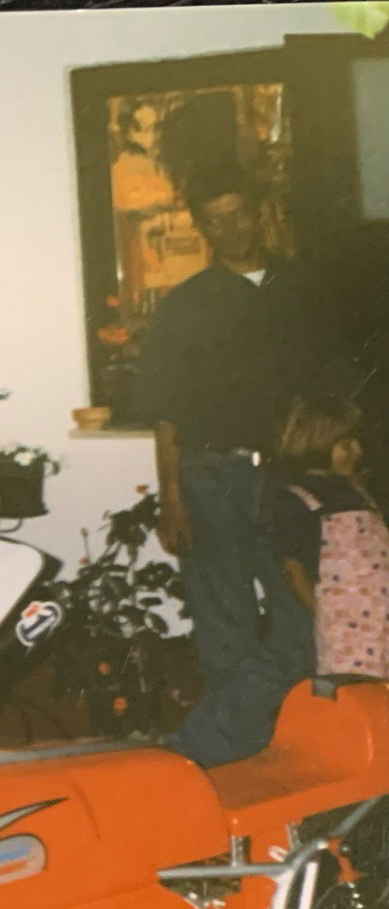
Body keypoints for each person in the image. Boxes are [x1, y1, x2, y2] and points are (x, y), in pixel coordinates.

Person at [139, 159, 349, 765]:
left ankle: (215, 743)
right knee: (222, 629)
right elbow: (167, 415)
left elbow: (339, 394)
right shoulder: (185, 305)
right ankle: (232, 761)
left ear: (258, 213)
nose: (229, 230)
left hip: (289, 479)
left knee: (305, 623)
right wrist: (171, 497)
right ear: (202, 228)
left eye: (237, 215)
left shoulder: (307, 290)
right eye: (214, 221)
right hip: (210, 478)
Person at [268, 395, 389, 679]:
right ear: (318, 444)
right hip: (346, 633)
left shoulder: (357, 493)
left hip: (382, 620)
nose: (357, 451)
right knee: (353, 694)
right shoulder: (298, 499)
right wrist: (326, 617)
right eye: (345, 444)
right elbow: (294, 570)